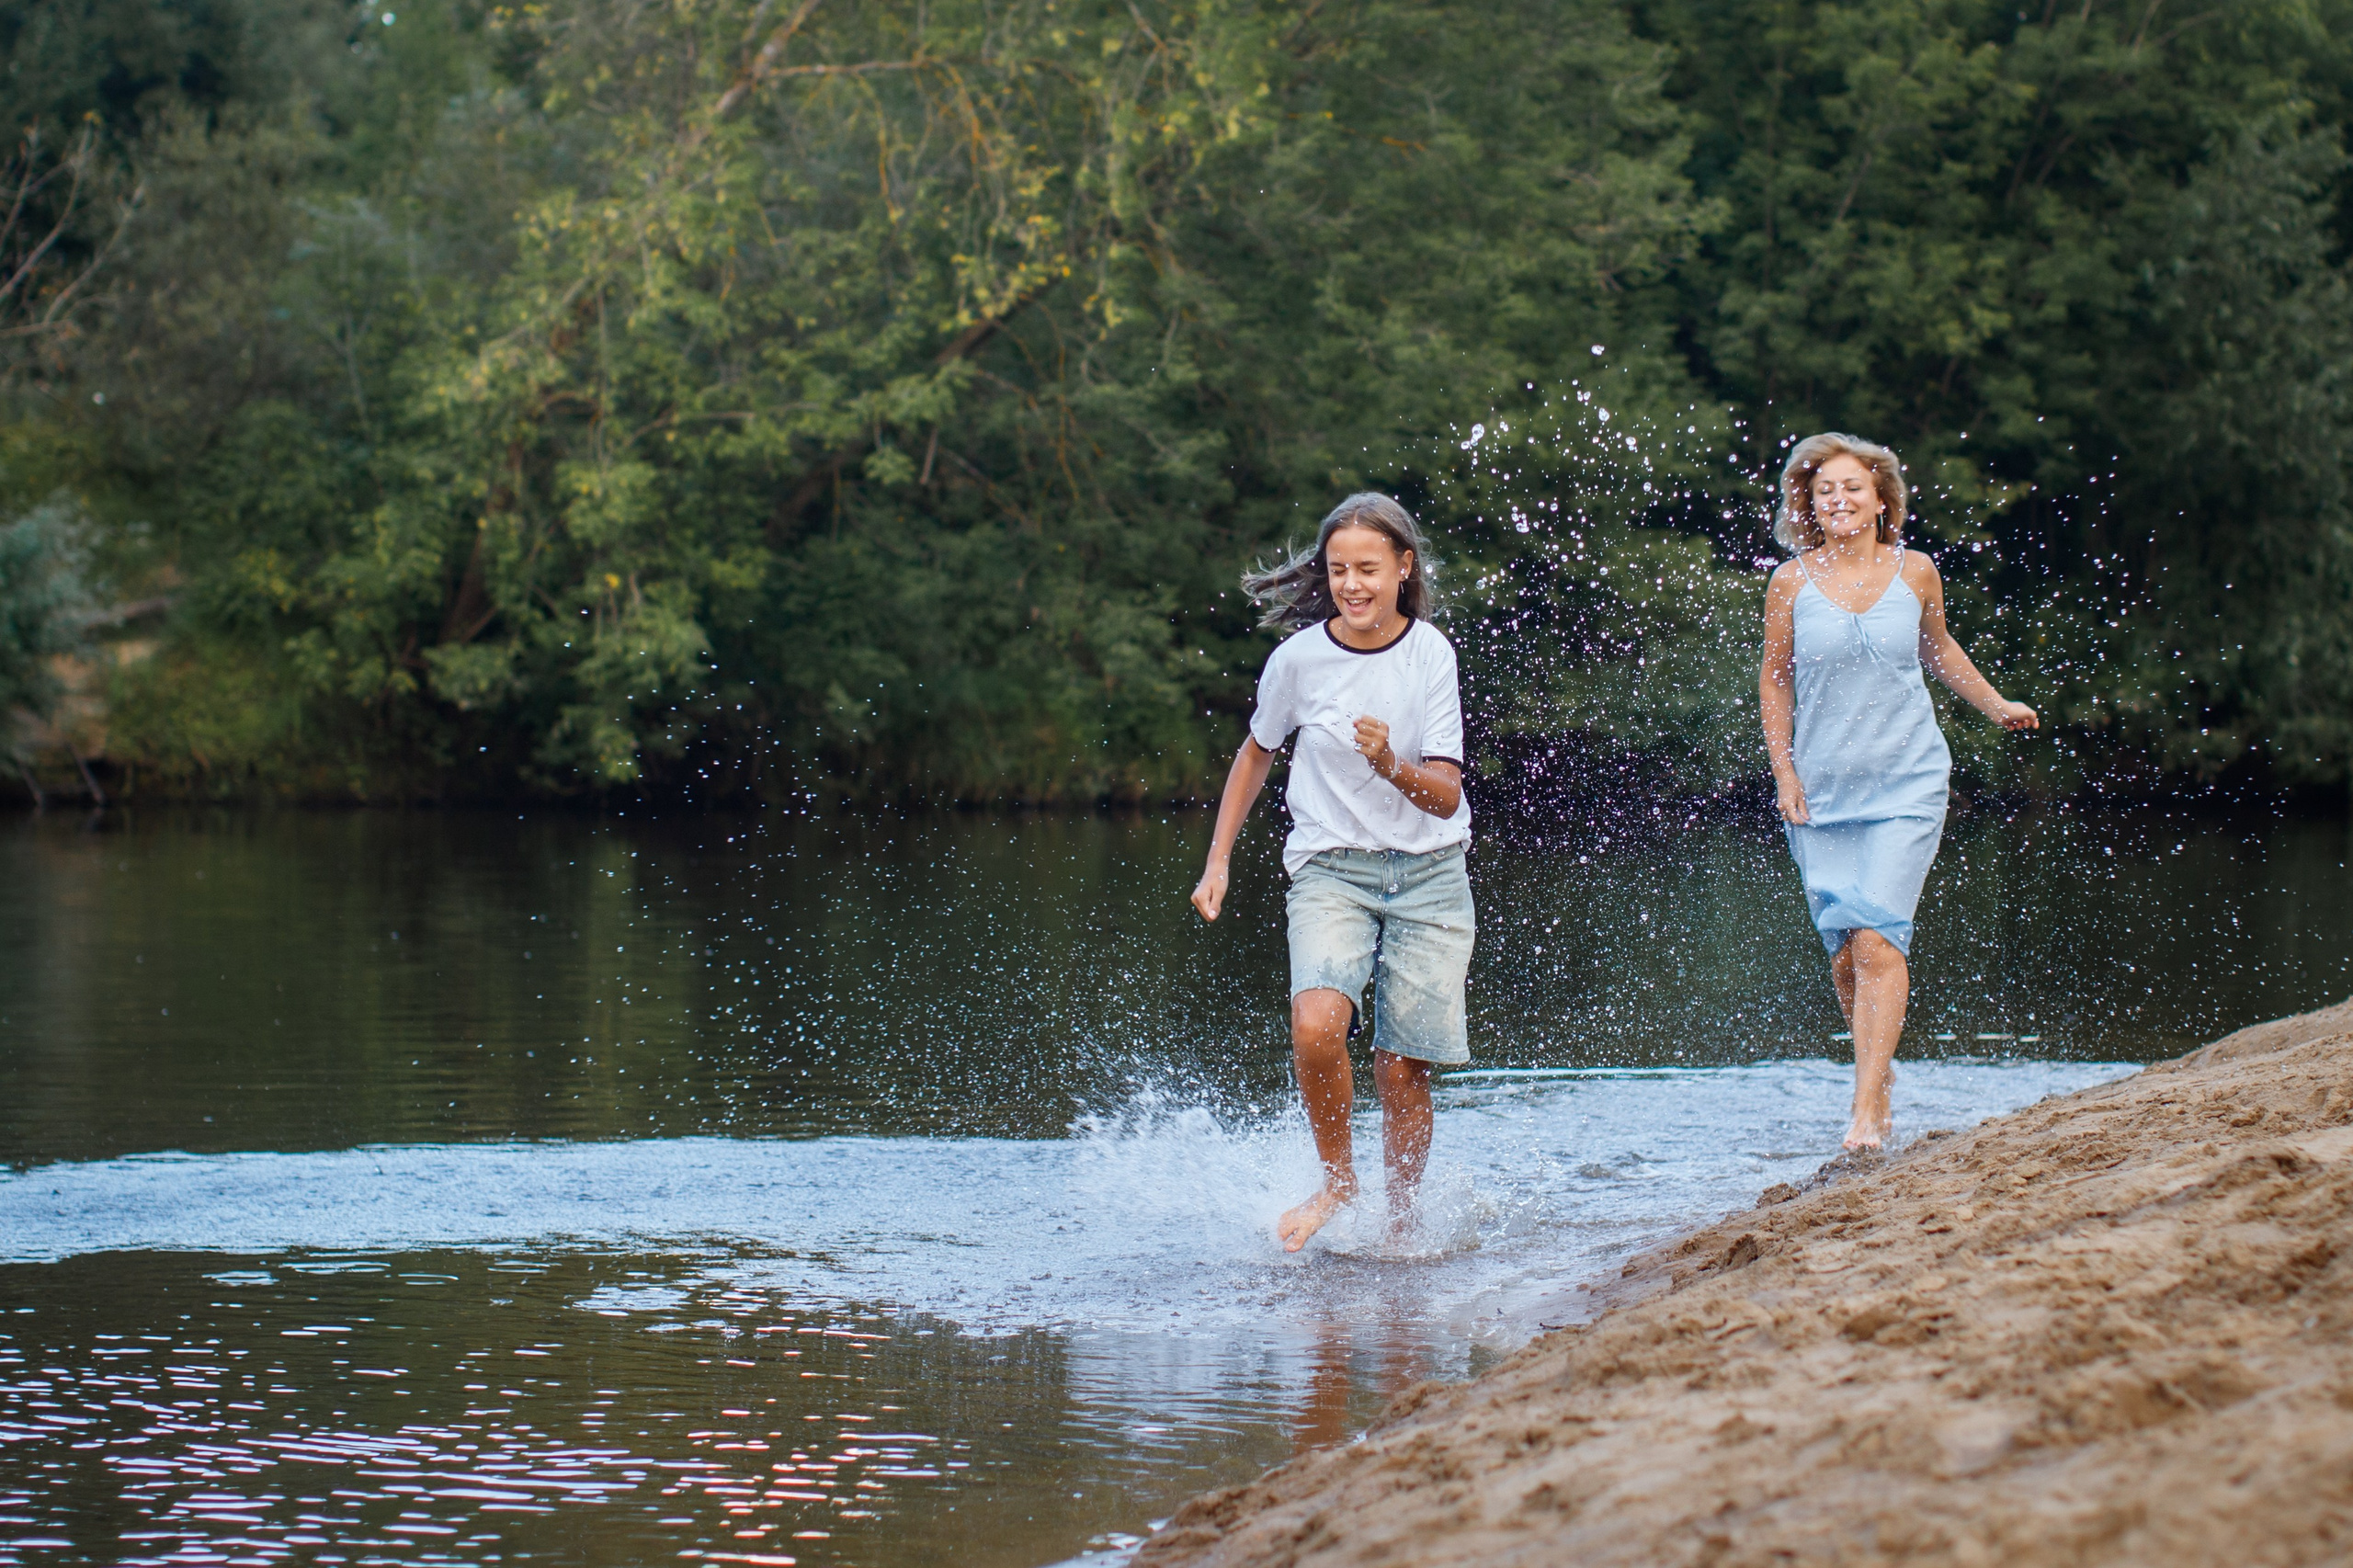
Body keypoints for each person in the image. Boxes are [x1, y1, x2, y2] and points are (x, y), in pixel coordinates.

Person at [1191, 493, 1473, 1252]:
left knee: (1400, 1066)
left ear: (1403, 569)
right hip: (1330, 869)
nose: (1353, 584)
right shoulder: (1299, 660)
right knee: (1318, 1025)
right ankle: (1339, 1182)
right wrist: (1218, 860)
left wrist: (1388, 764)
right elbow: (1256, 752)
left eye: (1369, 570)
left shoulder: (1430, 655)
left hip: (1430, 871)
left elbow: (1445, 797)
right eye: (1339, 569)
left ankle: (1404, 1230)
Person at [1760, 433, 2038, 1152]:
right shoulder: (1790, 581)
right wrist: (1785, 774)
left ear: (1882, 499)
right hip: (1821, 793)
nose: (1839, 499)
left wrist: (1995, 704)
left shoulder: (1916, 572)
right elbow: (1776, 678)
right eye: (1826, 490)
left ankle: (1864, 1112)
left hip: (1907, 779)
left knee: (1878, 938)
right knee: (1847, 955)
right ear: (1811, 505)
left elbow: (1938, 648)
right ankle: (1877, 1081)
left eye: (1853, 487)